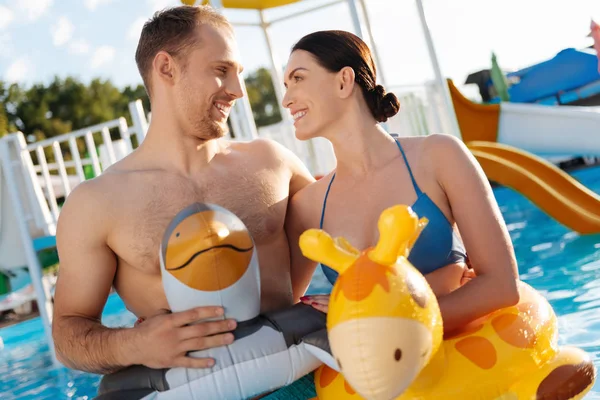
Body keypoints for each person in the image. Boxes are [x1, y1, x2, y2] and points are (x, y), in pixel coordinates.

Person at [52, 5, 315, 376]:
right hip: (194, 387)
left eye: (238, 74)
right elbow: (67, 335)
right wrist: (134, 344)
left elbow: (354, 213)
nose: (239, 91)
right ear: (166, 68)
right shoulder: (98, 202)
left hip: (299, 374)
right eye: (221, 71)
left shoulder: (273, 163)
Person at [282, 30, 520, 335]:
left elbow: (502, 285)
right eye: (286, 86)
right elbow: (281, 311)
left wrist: (382, 316)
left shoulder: (439, 157)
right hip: (381, 374)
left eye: (298, 79)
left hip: (464, 363)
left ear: (343, 81)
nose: (287, 99)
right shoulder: (308, 205)